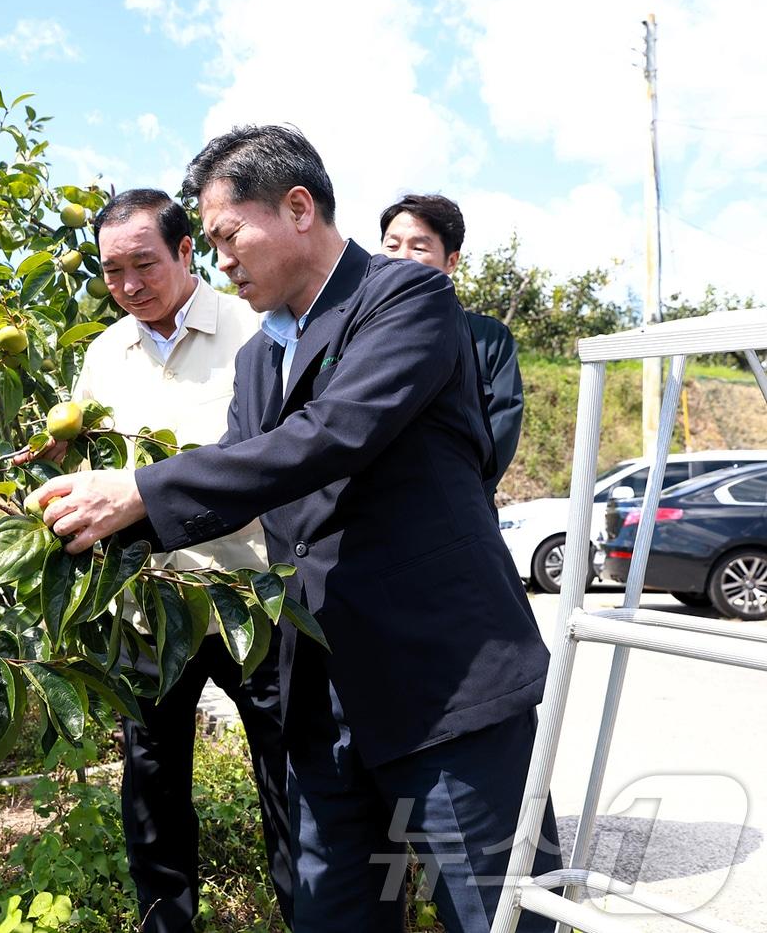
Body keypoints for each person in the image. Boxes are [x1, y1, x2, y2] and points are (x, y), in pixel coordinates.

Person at [30, 125, 561, 932]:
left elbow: (328, 436)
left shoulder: (407, 299)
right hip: (322, 699)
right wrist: (88, 527)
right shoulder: (258, 358)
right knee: (335, 912)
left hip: (440, 685)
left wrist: (138, 488)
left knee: (493, 914)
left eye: (226, 235)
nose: (221, 261)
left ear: (298, 207)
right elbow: (238, 486)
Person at [59, 188, 293, 931]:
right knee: (152, 778)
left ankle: (307, 910)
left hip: (246, 595)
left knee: (286, 769)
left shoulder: (254, 330)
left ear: (187, 253)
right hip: (148, 607)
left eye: (144, 263)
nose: (129, 285)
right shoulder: (103, 355)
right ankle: (167, 922)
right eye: (112, 270)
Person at [380, 193, 524, 505]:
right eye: (392, 245)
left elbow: (503, 422)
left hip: (460, 510)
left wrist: (458, 492)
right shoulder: (355, 334)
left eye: (418, 248)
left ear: (451, 261)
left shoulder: (489, 337)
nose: (401, 257)